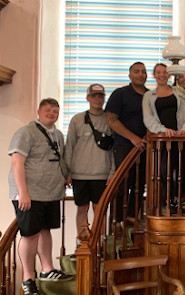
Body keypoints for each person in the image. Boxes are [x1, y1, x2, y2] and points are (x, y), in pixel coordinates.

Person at [8, 98, 72, 295]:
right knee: (30, 234)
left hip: (51, 192)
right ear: (38, 111)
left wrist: (67, 175)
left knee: (45, 230)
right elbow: (17, 163)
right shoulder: (26, 132)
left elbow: (59, 159)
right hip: (30, 194)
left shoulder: (58, 134)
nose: (51, 114)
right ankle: (28, 277)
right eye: (47, 110)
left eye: (55, 111)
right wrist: (24, 193)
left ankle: (47, 270)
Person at [65, 84, 115, 248]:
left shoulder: (110, 119)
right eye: (94, 96)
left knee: (99, 210)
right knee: (82, 209)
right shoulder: (77, 119)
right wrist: (68, 172)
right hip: (79, 173)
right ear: (88, 98)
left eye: (100, 96)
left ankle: (98, 242)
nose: (97, 99)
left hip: (102, 173)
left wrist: (112, 171)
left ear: (104, 98)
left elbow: (114, 148)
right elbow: (69, 146)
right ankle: (82, 241)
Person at [143, 63, 185, 207]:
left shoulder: (180, 92)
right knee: (164, 170)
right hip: (163, 140)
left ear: (169, 75)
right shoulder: (148, 96)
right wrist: (162, 129)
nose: (162, 75)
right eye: (158, 72)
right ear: (154, 75)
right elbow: (148, 118)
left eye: (165, 72)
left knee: (182, 170)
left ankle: (181, 199)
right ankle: (168, 199)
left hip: (181, 138)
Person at [105, 62, 148, 223]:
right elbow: (110, 119)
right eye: (136, 71)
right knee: (122, 185)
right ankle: (117, 220)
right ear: (130, 75)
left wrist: (145, 137)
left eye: (143, 72)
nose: (140, 74)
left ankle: (131, 217)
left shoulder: (150, 95)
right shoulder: (120, 94)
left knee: (139, 184)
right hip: (124, 145)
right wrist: (133, 137)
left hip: (144, 147)